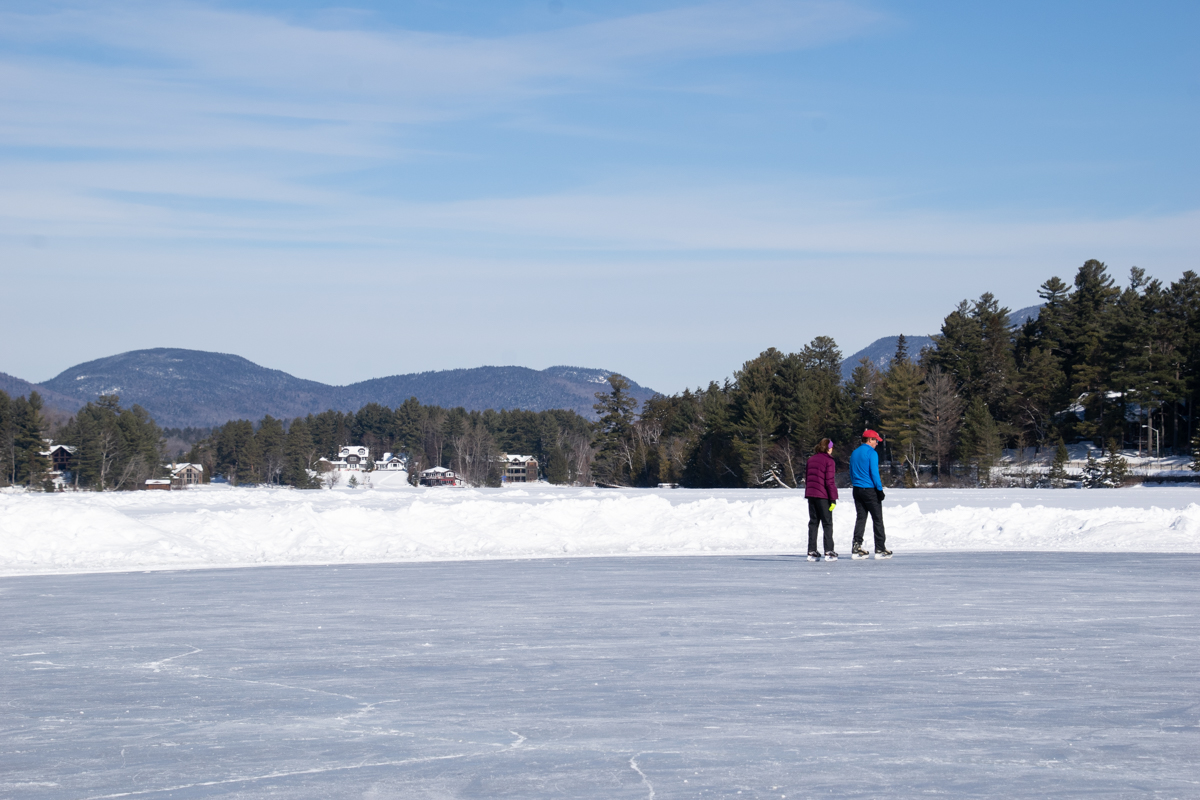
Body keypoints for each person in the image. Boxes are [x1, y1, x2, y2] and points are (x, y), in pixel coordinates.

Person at [849, 429, 892, 559]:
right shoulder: (871, 453)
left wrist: (856, 483)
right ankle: (880, 548)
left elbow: (851, 471)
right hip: (869, 490)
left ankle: (856, 546)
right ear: (869, 440)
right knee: (877, 519)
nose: (877, 443)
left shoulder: (854, 453)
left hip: (857, 489)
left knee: (861, 518)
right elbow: (874, 473)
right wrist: (879, 490)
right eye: (875, 440)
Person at [803, 438, 839, 561]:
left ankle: (811, 550)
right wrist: (833, 498)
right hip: (823, 496)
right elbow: (829, 481)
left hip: (811, 495)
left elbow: (808, 478)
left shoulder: (811, 459)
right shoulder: (829, 461)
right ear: (828, 448)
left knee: (813, 523)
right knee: (827, 523)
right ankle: (829, 550)